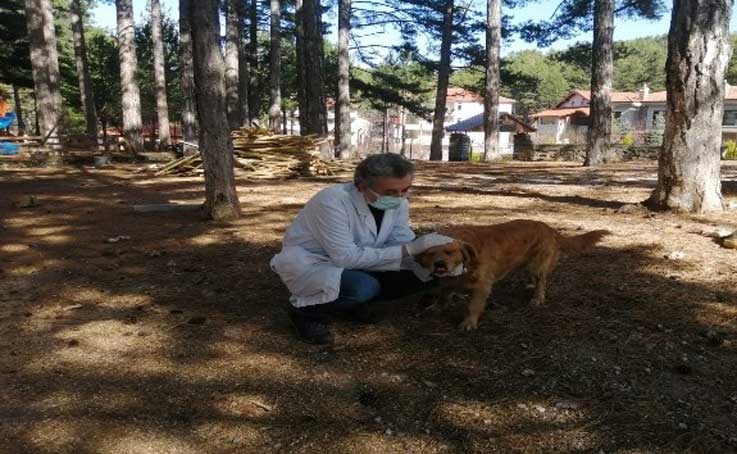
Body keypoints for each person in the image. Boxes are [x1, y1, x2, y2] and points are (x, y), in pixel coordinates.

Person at [270, 153, 453, 344]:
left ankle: (354, 304)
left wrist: (429, 258)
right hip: (316, 262)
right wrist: (408, 250)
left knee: (428, 273)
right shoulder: (331, 201)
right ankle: (306, 313)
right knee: (362, 287)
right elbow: (345, 258)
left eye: (405, 190)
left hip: (364, 259)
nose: (399, 198)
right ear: (361, 187)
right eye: (390, 193)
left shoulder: (399, 202)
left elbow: (399, 239)